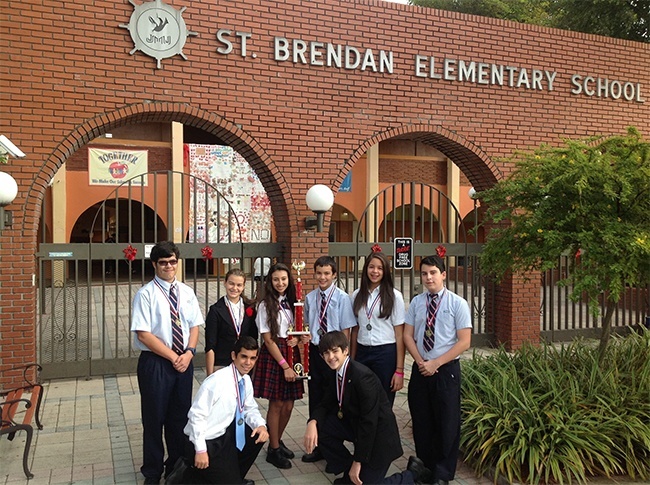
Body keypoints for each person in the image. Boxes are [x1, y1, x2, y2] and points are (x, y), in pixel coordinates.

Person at [303, 331, 432, 485]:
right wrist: (312, 422)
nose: (331, 357)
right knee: (321, 427)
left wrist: (358, 460)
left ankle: (411, 475)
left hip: (378, 438)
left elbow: (369, 422)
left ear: (345, 350)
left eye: (335, 351)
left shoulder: (362, 377)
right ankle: (348, 471)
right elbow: (325, 403)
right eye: (326, 353)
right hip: (358, 429)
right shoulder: (334, 372)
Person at [130, 241, 204, 484]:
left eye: (173, 261)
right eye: (163, 262)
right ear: (155, 264)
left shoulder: (186, 292)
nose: (169, 266)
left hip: (184, 360)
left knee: (179, 418)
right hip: (157, 364)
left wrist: (190, 353)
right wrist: (174, 357)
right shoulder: (146, 294)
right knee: (154, 419)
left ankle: (175, 466)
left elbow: (194, 325)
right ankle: (152, 472)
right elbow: (144, 334)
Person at [403, 255, 472, 485]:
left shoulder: (457, 303)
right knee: (422, 420)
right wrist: (421, 361)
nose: (428, 277)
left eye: (433, 272)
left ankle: (442, 473)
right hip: (421, 369)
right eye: (424, 273)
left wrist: (436, 363)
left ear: (443, 274)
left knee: (447, 423)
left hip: (445, 371)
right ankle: (425, 466)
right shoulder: (416, 303)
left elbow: (464, 341)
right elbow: (407, 335)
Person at [180, 336, 268, 485]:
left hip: (223, 436)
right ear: (234, 356)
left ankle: (232, 475)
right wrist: (200, 450)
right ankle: (189, 473)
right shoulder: (216, 382)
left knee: (260, 431)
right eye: (244, 357)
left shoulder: (245, 380)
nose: (248, 363)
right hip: (204, 441)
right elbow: (196, 416)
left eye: (253, 358)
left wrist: (260, 425)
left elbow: (249, 408)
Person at [253, 262, 308, 469]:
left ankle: (278, 440)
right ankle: (273, 449)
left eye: (284, 279)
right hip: (276, 354)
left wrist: (299, 339)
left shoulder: (293, 302)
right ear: (270, 281)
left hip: (290, 351)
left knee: (289, 403)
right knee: (276, 403)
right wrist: (285, 365)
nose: (280, 283)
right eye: (276, 279)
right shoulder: (265, 305)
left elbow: (297, 329)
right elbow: (268, 340)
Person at [302, 256, 357, 463]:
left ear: (334, 275)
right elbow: (308, 323)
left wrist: (343, 357)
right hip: (317, 354)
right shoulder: (310, 298)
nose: (322, 277)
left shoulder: (342, 298)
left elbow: (346, 330)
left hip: (335, 356)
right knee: (316, 396)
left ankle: (333, 445)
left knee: (334, 398)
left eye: (327, 273)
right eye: (319, 273)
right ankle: (317, 446)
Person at [350, 251, 406, 406]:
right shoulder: (356, 295)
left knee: (384, 402)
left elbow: (400, 335)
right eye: (371, 267)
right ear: (366, 268)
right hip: (362, 352)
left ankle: (383, 431)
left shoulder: (394, 296)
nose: (375, 271)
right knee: (362, 400)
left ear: (385, 271)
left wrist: (399, 370)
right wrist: (352, 362)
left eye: (380, 268)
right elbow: (355, 331)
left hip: (385, 354)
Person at [204, 268, 258, 375]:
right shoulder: (215, 310)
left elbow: (253, 338)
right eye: (231, 284)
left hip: (244, 365)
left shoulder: (250, 309)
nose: (234, 288)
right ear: (225, 283)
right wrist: (210, 376)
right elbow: (210, 346)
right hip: (222, 364)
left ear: (243, 286)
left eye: (239, 285)